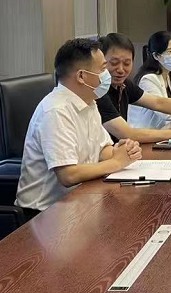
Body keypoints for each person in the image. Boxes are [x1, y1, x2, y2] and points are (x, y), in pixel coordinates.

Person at [15, 39, 142, 217]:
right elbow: (68, 175)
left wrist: (121, 151)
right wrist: (116, 162)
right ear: (82, 76)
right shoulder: (56, 111)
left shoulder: (89, 101)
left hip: (82, 200)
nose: (107, 74)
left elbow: (101, 149)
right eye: (103, 68)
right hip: (44, 213)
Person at [97, 33, 171, 143]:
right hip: (130, 143)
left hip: (129, 146)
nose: (120, 69)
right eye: (114, 63)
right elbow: (128, 134)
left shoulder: (125, 85)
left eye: (127, 63)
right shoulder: (98, 92)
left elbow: (158, 102)